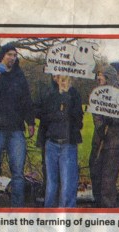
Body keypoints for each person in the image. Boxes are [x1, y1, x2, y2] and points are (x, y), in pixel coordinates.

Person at [0, 43, 35, 207]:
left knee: (18, 171)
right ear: (2, 56)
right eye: (9, 54)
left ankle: (17, 207)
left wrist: (30, 121)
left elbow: (26, 99)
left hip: (15, 128)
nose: (12, 57)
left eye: (14, 55)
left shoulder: (19, 75)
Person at [34, 74, 83, 208]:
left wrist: (66, 100)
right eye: (59, 79)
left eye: (65, 79)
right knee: (51, 183)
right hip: (52, 143)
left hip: (68, 144)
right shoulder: (51, 94)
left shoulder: (74, 95)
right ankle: (49, 213)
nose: (62, 82)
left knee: (68, 183)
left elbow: (78, 120)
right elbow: (43, 114)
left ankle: (66, 215)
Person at [89, 62, 119, 208]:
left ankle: (108, 209)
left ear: (108, 77)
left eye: (101, 75)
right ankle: (98, 204)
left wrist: (110, 117)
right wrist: (100, 126)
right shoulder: (98, 93)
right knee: (95, 172)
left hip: (115, 143)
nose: (98, 78)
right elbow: (96, 114)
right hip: (100, 140)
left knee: (108, 179)